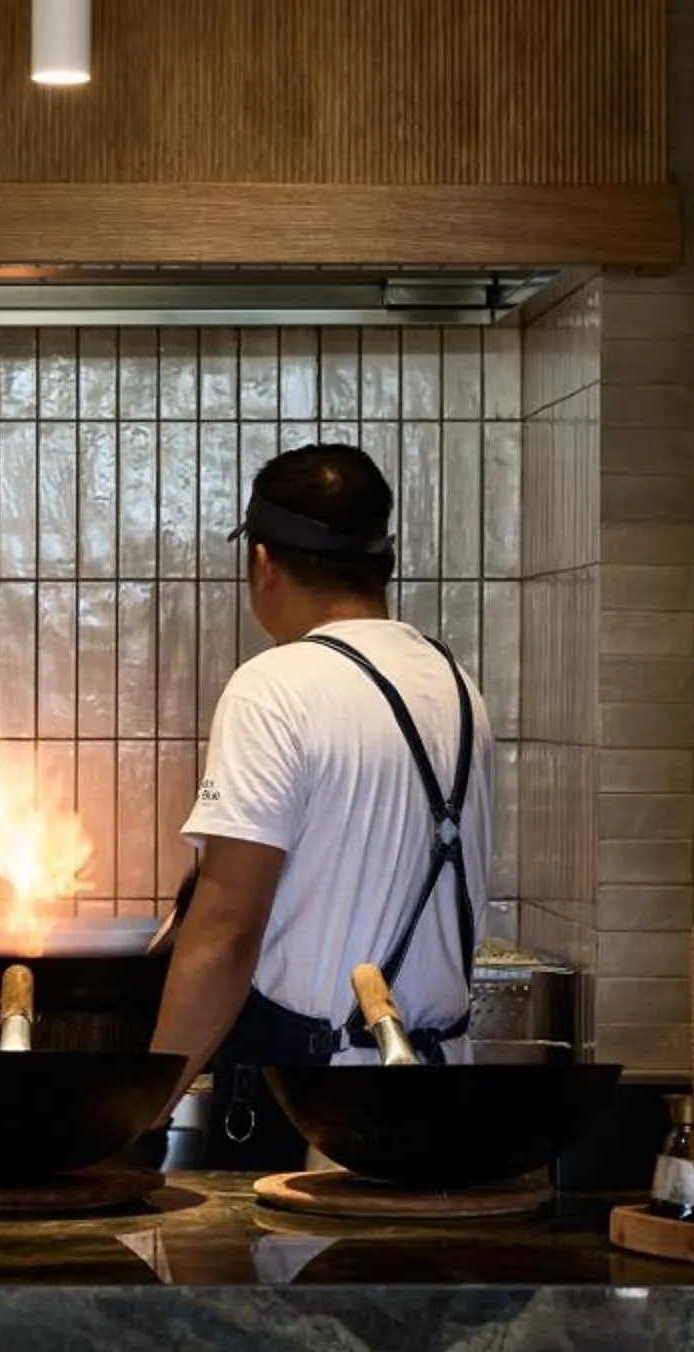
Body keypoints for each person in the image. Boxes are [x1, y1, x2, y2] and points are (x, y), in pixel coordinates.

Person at [149, 443, 499, 1168]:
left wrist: (144, 1104)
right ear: (386, 559)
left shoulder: (275, 687)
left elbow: (226, 931)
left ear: (264, 564)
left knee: (298, 1281)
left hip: (311, 1117)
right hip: (441, 1107)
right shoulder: (461, 691)